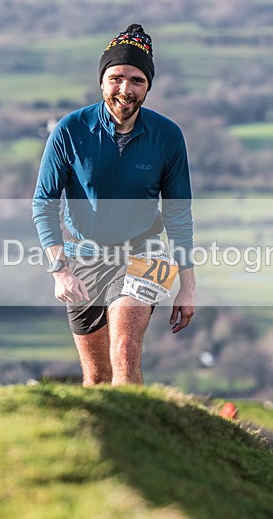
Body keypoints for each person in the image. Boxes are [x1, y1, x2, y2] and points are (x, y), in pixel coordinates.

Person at [32, 23, 195, 386]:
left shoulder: (168, 136)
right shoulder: (70, 131)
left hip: (145, 252)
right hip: (82, 255)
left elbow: (178, 214)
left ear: (148, 86)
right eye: (116, 78)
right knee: (96, 375)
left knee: (123, 351)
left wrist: (188, 284)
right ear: (102, 82)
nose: (125, 89)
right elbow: (44, 203)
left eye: (137, 80)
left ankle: (136, 422)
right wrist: (59, 270)